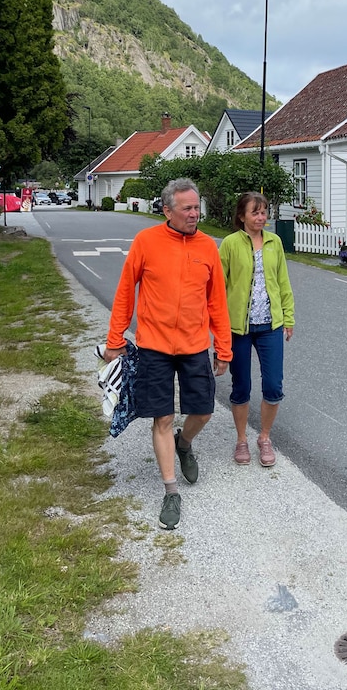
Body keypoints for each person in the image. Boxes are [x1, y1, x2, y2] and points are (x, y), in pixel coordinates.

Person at [101, 178, 231, 530]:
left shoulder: (208, 247)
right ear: (167, 210)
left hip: (194, 345)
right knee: (162, 418)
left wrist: (223, 347)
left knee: (203, 411)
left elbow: (217, 301)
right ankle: (171, 491)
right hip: (154, 346)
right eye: (187, 208)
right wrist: (115, 338)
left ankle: (183, 443)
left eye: (197, 207)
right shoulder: (146, 241)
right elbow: (125, 292)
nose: (194, 214)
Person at [218, 192, 295, 467]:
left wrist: (288, 317)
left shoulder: (275, 242)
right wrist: (218, 328)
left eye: (264, 212)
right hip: (238, 327)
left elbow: (283, 282)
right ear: (242, 216)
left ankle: (264, 437)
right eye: (255, 212)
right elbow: (218, 287)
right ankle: (241, 440)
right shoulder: (229, 244)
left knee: (273, 385)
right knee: (241, 386)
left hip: (270, 325)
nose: (261, 217)